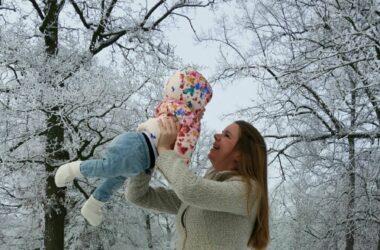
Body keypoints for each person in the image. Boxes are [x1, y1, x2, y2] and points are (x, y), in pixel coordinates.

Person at [54, 68, 213, 226]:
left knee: (115, 179)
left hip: (137, 148)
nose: (204, 109)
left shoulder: (171, 107)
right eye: (203, 104)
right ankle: (72, 169)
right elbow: (184, 148)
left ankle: (94, 204)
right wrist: (179, 166)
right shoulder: (189, 123)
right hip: (139, 151)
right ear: (196, 99)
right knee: (108, 167)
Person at [126, 118, 270, 249]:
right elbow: (138, 195)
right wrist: (148, 157)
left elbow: (189, 189)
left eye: (227, 135)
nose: (216, 135)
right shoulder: (202, 198)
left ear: (241, 154)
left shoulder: (249, 192)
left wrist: (163, 150)